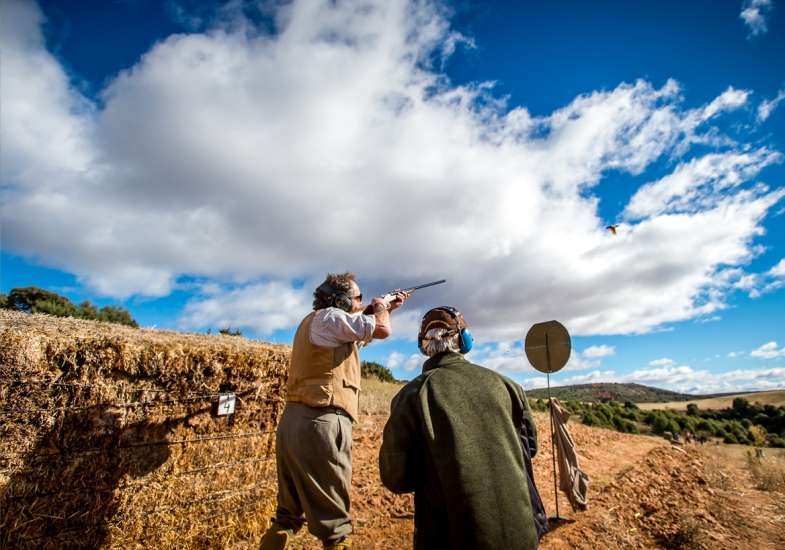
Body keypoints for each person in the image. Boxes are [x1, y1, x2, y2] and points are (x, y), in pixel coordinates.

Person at [260, 273, 408, 550]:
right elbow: (382, 330)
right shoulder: (330, 318)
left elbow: (362, 333)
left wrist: (387, 308)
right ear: (340, 300)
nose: (361, 301)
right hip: (322, 423)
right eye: (358, 297)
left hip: (294, 423)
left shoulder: (319, 322)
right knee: (336, 529)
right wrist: (380, 308)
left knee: (286, 516)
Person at [379, 306, 546, 549]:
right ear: (465, 340)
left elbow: (396, 479)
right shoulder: (509, 386)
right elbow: (529, 449)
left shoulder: (411, 396)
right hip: (524, 536)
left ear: (423, 346)